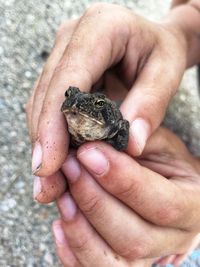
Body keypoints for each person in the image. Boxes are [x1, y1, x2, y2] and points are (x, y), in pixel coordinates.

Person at [25, 0, 200, 266]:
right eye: (70, 97)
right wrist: (179, 31)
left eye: (95, 104)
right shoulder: (78, 111)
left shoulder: (111, 122)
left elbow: (121, 128)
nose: (77, 104)